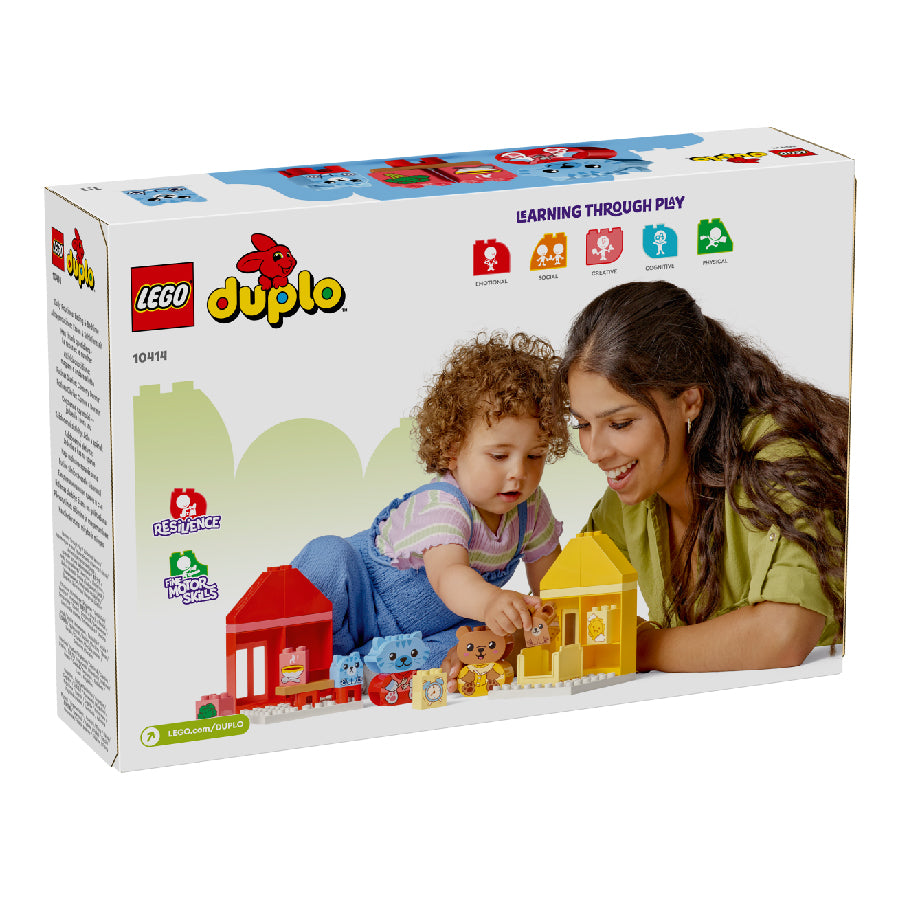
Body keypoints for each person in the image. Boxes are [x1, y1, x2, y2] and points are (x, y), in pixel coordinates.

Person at [555, 281, 847, 672]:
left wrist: (640, 647)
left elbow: (781, 635)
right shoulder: (631, 497)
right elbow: (562, 607)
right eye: (583, 424)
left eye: (620, 423)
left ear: (689, 401)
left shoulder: (773, 455)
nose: (594, 452)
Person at [291, 332, 568, 670]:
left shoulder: (531, 509)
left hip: (418, 635)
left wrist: (552, 617)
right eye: (499, 456)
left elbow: (554, 583)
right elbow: (449, 575)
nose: (519, 472)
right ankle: (302, 653)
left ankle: (361, 670)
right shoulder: (444, 505)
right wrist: (492, 601)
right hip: (357, 599)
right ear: (453, 450)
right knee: (328, 556)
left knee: (477, 644)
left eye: (535, 455)